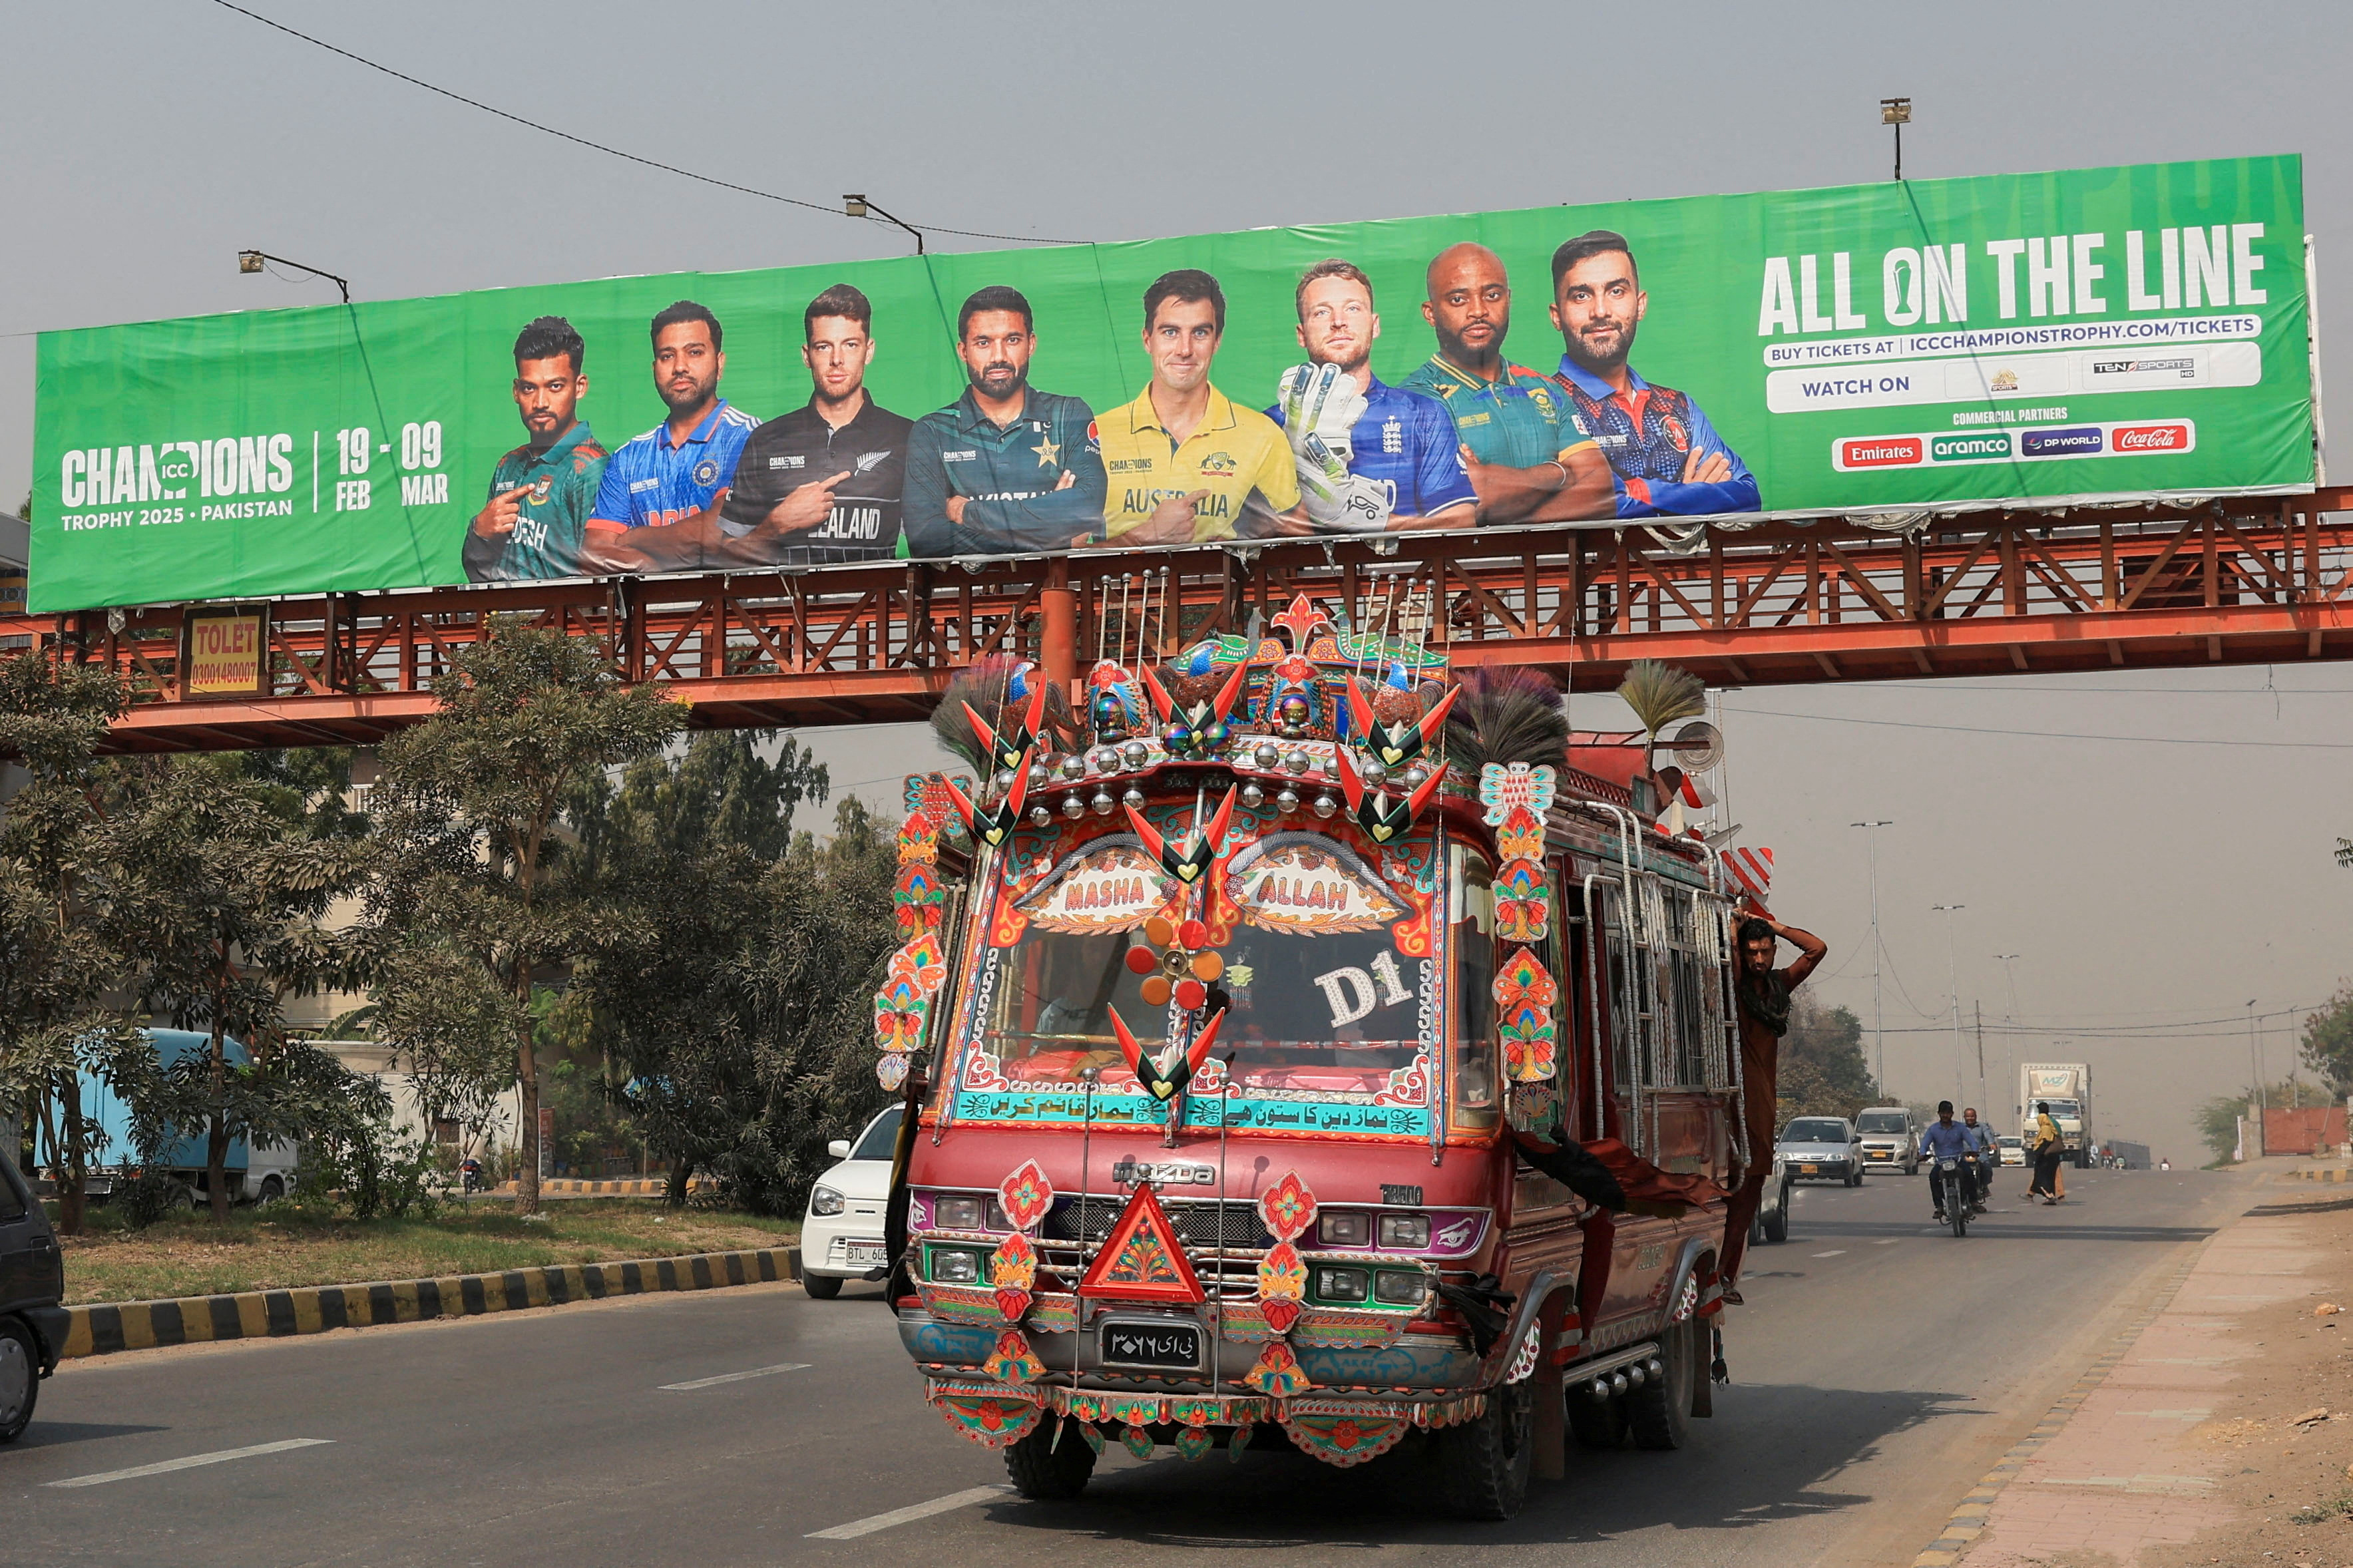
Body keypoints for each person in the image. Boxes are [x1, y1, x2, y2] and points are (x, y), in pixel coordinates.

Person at [1548, 230, 1761, 518]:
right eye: (1582, 296)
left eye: (1616, 291)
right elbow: (1590, 504)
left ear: (1641, 305)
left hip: (1687, 564)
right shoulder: (1541, 407)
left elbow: (1748, 494)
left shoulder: (1680, 407)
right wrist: (1695, 498)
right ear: (1557, 315)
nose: (1600, 311)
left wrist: (1637, 492)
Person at [1398, 242, 1614, 523]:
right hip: (1466, 566)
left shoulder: (1546, 390)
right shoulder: (1413, 403)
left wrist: (1510, 518)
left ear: (1508, 299)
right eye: (1458, 300)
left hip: (1561, 566)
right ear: (1430, 313)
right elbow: (1469, 501)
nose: (1478, 311)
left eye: (1492, 295)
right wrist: (1560, 473)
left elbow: (1601, 492)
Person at [1266, 259, 1478, 533]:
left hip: (1404, 573)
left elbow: (1459, 521)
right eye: (1321, 313)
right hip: (1313, 575)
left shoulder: (1422, 415)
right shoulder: (1269, 427)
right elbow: (1254, 529)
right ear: (1301, 334)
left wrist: (1369, 521)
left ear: (1375, 325)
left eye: (1353, 309)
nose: (1339, 322)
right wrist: (1311, 498)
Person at [1096, 269, 1301, 545]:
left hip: (1221, 588)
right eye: (1170, 332)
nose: (1185, 349)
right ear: (1148, 340)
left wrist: (1237, 551)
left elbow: (1296, 545)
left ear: (1217, 341)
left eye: (1200, 333)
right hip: (1121, 589)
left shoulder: (1263, 436)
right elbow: (1061, 564)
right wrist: (1144, 536)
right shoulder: (1099, 434)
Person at [903, 286, 1108, 558]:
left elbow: (1086, 508)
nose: (998, 356)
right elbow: (927, 539)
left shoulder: (1069, 414)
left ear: (1031, 344)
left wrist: (968, 512)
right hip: (969, 598)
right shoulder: (932, 431)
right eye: (983, 343)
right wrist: (1051, 538)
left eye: (1012, 340)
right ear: (963, 351)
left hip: (1060, 592)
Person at [718, 284, 913, 565]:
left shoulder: (906, 436)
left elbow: (933, 545)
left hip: (878, 607)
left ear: (869, 351)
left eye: (850, 345)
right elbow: (723, 559)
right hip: (787, 608)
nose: (837, 360)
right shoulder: (767, 440)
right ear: (807, 355)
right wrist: (774, 526)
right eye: (824, 347)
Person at [582, 301, 761, 574]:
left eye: (695, 352)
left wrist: (635, 538)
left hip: (734, 612)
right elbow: (593, 555)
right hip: (650, 615)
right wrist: (664, 574)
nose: (680, 367)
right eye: (667, 356)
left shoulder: (749, 437)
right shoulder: (628, 458)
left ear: (719, 363)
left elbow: (720, 534)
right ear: (654, 368)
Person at [1717, 908, 1826, 1301]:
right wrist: (1735, 931)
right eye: (1752, 952)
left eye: (1765, 951)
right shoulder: (1734, 985)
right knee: (1736, 1180)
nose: (1759, 959)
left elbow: (1817, 948)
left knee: (1754, 1179)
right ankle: (1720, 1273)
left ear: (1774, 951)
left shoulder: (1780, 987)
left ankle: (1724, 1274)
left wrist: (1771, 923)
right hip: (1734, 1094)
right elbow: (1726, 966)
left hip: (1761, 1095)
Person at [466, 316, 608, 582]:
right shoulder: (507, 465)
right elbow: (479, 573)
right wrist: (479, 532)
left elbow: (599, 576)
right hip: (504, 621)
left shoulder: (591, 469)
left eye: (555, 386)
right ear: (516, 391)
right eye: (530, 388)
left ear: (580, 387)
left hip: (561, 621)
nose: (540, 402)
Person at [1919, 1102, 1982, 1222]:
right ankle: (1939, 1206)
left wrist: (1974, 1150)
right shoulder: (1933, 1129)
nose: (1945, 1116)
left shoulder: (1960, 1128)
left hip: (1958, 1161)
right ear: (1939, 1114)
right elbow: (1925, 1144)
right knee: (1933, 1178)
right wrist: (1922, 1154)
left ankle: (1974, 1202)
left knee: (1969, 1174)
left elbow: (1972, 1141)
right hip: (1941, 1162)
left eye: (1948, 1113)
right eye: (1943, 1113)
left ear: (1952, 1114)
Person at [2027, 1100, 2067, 1205]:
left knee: (2042, 1176)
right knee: (2049, 1176)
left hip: (2047, 1155)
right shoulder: (2053, 1123)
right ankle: (2046, 1195)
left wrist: (2039, 1153)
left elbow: (2047, 1141)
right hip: (2053, 1155)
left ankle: (2050, 1195)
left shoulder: (2046, 1125)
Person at [1961, 1106, 1996, 1203]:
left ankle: (1984, 1186)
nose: (1970, 1119)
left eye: (1972, 1116)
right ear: (1964, 1117)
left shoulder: (1982, 1126)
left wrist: (1991, 1143)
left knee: (1986, 1167)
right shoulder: (1960, 1127)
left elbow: (1988, 1135)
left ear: (1975, 1117)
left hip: (1979, 1154)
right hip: (1963, 1154)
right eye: (1968, 1117)